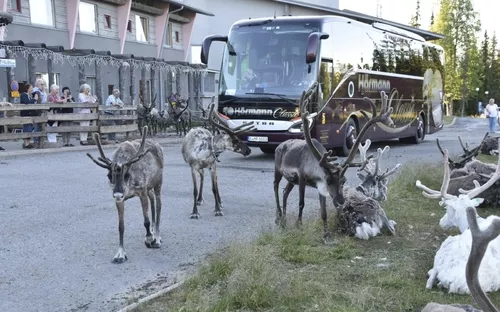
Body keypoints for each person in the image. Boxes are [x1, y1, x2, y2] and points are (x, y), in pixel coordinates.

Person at [20, 84, 39, 149]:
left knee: (30, 129)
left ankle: (28, 143)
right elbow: (26, 102)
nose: (32, 89)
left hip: (30, 115)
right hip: (25, 114)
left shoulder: (30, 96)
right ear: (27, 88)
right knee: (26, 128)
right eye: (31, 88)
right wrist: (34, 99)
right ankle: (26, 143)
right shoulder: (23, 95)